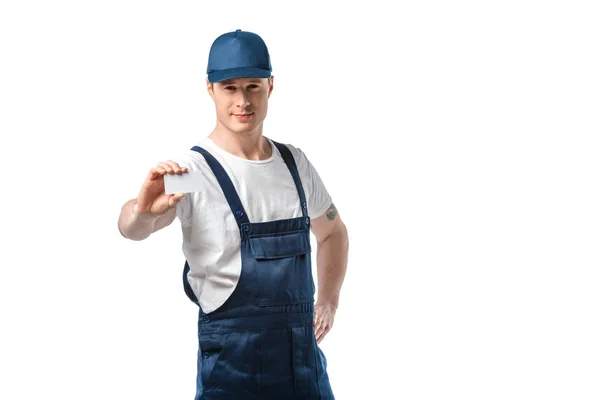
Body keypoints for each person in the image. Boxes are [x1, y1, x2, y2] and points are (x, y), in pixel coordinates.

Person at [117, 29, 349, 399]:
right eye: (229, 87)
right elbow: (133, 228)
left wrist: (329, 300)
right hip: (232, 368)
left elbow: (333, 232)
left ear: (270, 86)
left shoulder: (295, 164)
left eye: (252, 86)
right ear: (210, 89)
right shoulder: (194, 171)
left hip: (303, 365)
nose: (242, 101)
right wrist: (141, 211)